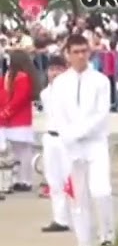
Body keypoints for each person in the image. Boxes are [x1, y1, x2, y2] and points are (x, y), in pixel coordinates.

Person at [53, 33, 115, 246]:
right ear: (67, 55)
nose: (80, 56)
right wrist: (69, 138)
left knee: (101, 190)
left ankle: (107, 237)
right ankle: (84, 243)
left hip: (95, 143)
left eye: (84, 51)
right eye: (76, 52)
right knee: (78, 196)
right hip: (71, 146)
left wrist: (79, 132)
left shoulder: (100, 81)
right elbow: (58, 115)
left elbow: (101, 114)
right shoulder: (60, 83)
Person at [38, 55, 71, 232]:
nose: (55, 73)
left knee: (70, 179)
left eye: (59, 69)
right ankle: (60, 218)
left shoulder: (71, 91)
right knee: (54, 180)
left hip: (66, 139)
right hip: (50, 137)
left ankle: (77, 215)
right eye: (52, 69)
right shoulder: (45, 93)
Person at [2, 48, 41, 193]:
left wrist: (6, 112)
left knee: (24, 152)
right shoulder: (11, 76)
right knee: (17, 152)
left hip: (20, 118)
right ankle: (18, 179)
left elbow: (19, 98)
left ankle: (26, 180)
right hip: (12, 119)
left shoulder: (22, 77)